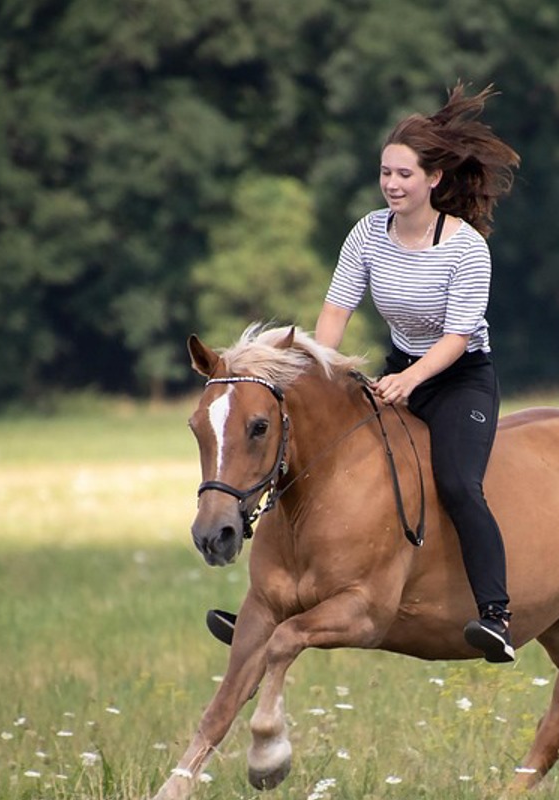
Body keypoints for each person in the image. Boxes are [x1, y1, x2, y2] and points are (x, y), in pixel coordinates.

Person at [207, 83, 522, 663]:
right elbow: (335, 312)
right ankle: (268, 603)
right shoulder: (367, 233)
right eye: (385, 173)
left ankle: (496, 613)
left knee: (457, 484)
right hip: (399, 370)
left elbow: (457, 337)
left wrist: (411, 381)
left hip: (459, 379)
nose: (392, 184)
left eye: (404, 174)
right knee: (305, 457)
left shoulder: (467, 249)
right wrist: (316, 377)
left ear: (434, 180)